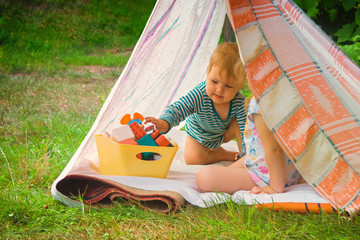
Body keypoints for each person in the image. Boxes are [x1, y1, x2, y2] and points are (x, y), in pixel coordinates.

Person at [144, 42, 247, 165]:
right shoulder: (199, 94)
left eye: (228, 86)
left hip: (223, 134)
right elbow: (179, 108)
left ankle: (246, 158)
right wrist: (165, 122)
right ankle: (222, 154)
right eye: (214, 81)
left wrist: (248, 151)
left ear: (240, 85)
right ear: (208, 72)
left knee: (245, 124)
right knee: (193, 160)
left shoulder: (239, 102)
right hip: (198, 134)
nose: (219, 90)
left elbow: (246, 130)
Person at [196, 96, 303, 194]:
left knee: (204, 177)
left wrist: (275, 187)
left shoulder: (264, 101)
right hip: (291, 169)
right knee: (231, 169)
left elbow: (274, 149)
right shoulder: (296, 98)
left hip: (269, 174)